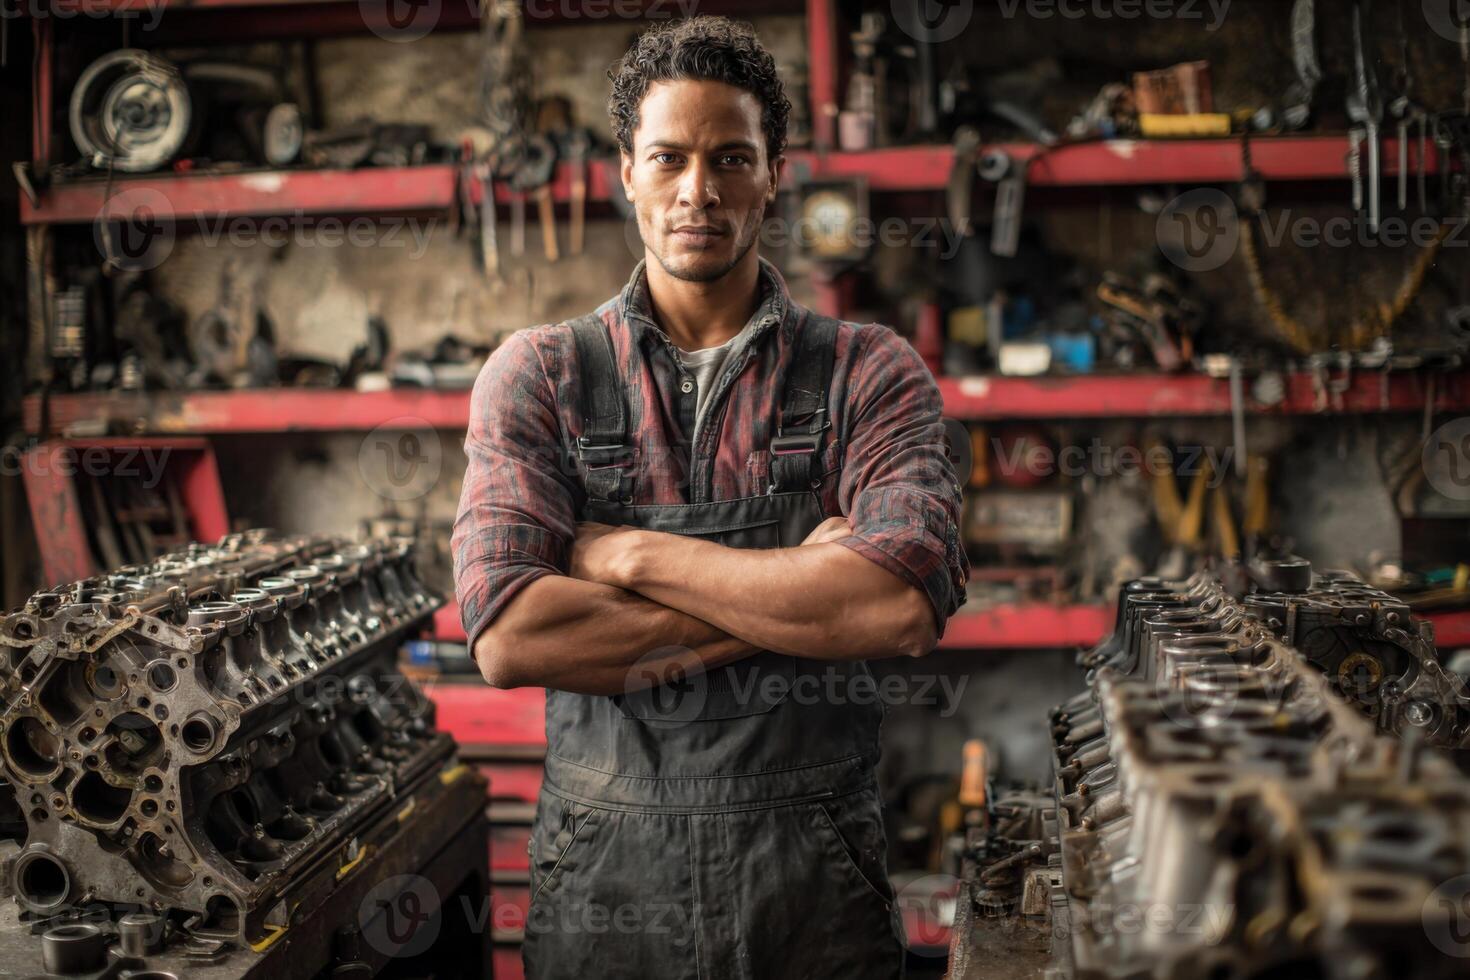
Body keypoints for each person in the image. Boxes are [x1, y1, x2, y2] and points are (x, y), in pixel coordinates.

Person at [451, 15, 968, 979]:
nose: (700, 190)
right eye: (670, 158)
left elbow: (896, 608)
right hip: (607, 892)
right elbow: (514, 638)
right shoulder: (538, 376)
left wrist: (630, 557)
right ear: (626, 171)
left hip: (813, 894)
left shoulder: (868, 372)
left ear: (773, 173)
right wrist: (808, 590)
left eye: (732, 157)